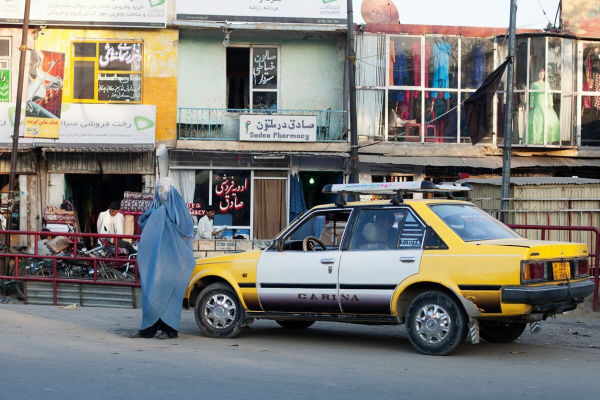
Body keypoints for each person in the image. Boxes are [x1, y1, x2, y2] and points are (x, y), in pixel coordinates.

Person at [130, 178, 195, 340]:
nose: (161, 194)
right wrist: (157, 216)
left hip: (175, 259)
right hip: (155, 258)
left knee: (171, 294)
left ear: (172, 190)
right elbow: (144, 223)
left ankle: (170, 330)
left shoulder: (179, 210)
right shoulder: (154, 208)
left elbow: (186, 231)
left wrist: (165, 220)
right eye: (159, 190)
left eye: (164, 190)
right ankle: (148, 328)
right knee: (151, 291)